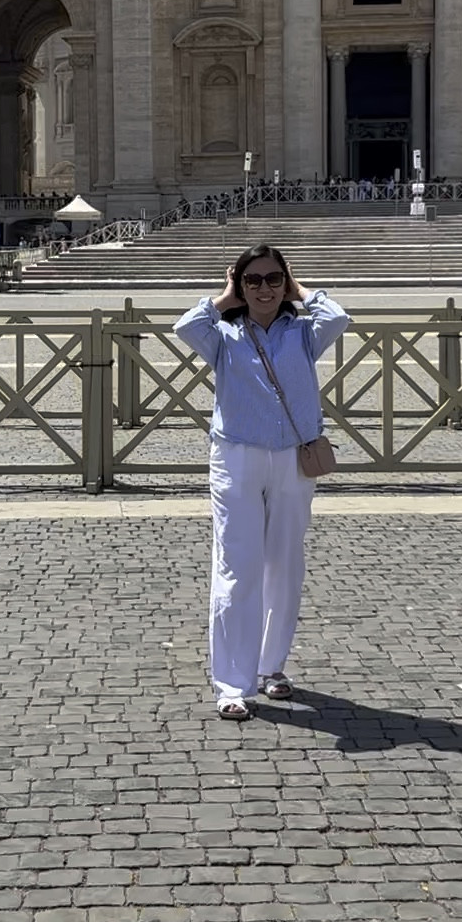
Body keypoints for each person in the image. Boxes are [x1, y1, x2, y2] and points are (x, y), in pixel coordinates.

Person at [175, 243, 350, 722]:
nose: (264, 289)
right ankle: (233, 682)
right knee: (237, 566)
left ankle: (272, 667)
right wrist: (225, 295)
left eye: (274, 280)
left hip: (294, 459)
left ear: (286, 283)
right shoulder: (224, 335)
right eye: (253, 281)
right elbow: (185, 326)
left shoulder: (304, 333)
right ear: (240, 284)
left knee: (285, 563)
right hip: (237, 457)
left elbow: (337, 316)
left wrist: (300, 290)